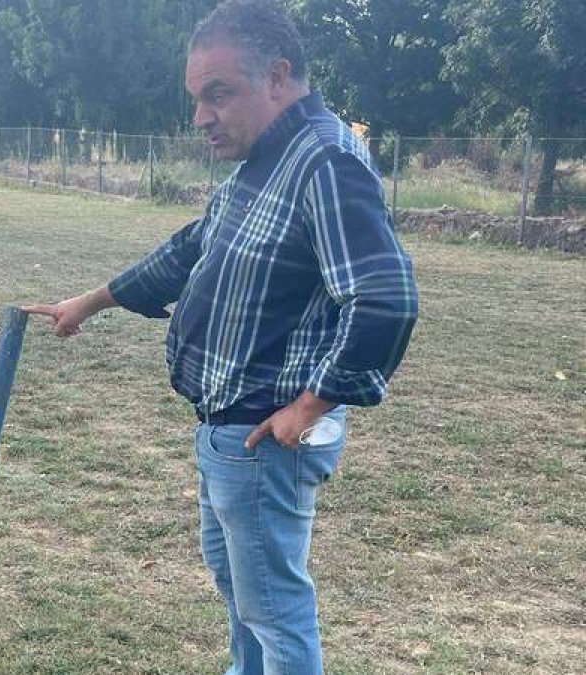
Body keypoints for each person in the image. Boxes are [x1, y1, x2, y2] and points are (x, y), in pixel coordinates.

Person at [23, 1, 419, 673]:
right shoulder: (264, 161)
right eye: (196, 98)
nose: (201, 116)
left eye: (217, 94)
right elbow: (186, 252)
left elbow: (386, 298)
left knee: (274, 614)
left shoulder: (324, 159)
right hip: (226, 435)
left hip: (263, 437)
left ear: (277, 77)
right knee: (246, 600)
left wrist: (309, 407)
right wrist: (86, 304)